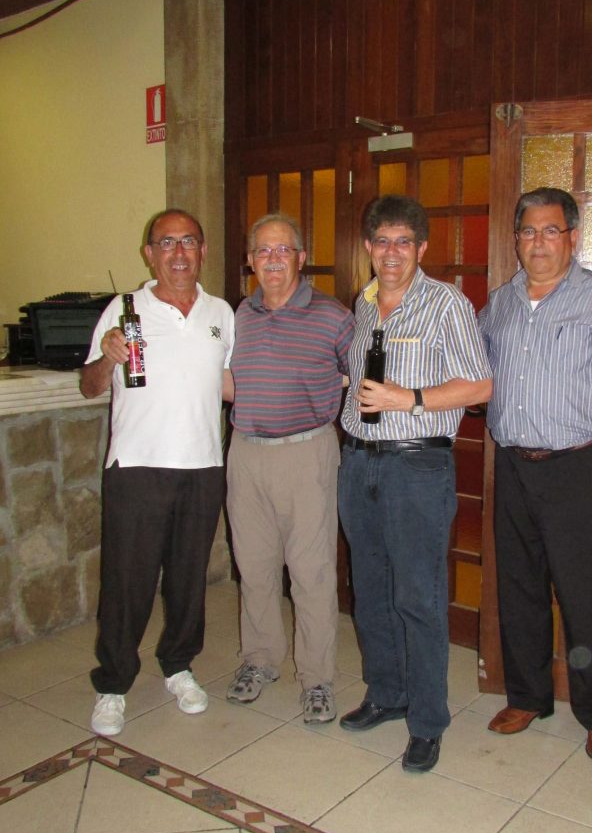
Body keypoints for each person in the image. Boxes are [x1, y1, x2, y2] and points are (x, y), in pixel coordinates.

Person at [479, 186, 592, 764]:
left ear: (572, 237)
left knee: (583, 597)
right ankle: (528, 697)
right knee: (519, 586)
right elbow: (472, 370)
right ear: (516, 239)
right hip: (513, 464)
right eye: (528, 231)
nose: (538, 242)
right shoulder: (499, 303)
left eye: (551, 230)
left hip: (578, 467)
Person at [337, 194, 493, 773]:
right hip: (359, 462)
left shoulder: (446, 303)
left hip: (416, 466)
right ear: (368, 246)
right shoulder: (363, 304)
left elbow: (480, 385)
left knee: (418, 596)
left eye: (404, 242)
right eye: (382, 241)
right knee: (369, 589)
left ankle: (427, 722)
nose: (392, 252)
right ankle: (387, 693)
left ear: (421, 248)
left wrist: (411, 398)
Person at [80, 208, 235, 736]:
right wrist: (108, 358)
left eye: (188, 241)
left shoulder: (221, 313)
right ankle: (113, 683)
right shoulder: (123, 309)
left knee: (189, 579)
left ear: (202, 250)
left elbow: (229, 384)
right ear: (149, 254)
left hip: (202, 466)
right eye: (166, 242)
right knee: (128, 582)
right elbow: (89, 387)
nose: (178, 252)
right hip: (137, 467)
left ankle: (179, 666)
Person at [224, 212, 354, 723]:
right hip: (246, 452)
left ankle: (317, 678)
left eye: (283, 250)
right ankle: (259, 660)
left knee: (312, 571)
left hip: (307, 454)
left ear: (301, 257)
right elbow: (228, 380)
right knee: (254, 567)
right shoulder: (239, 315)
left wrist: (332, 388)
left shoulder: (332, 316)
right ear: (250, 260)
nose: (273, 259)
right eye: (263, 250)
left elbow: (362, 374)